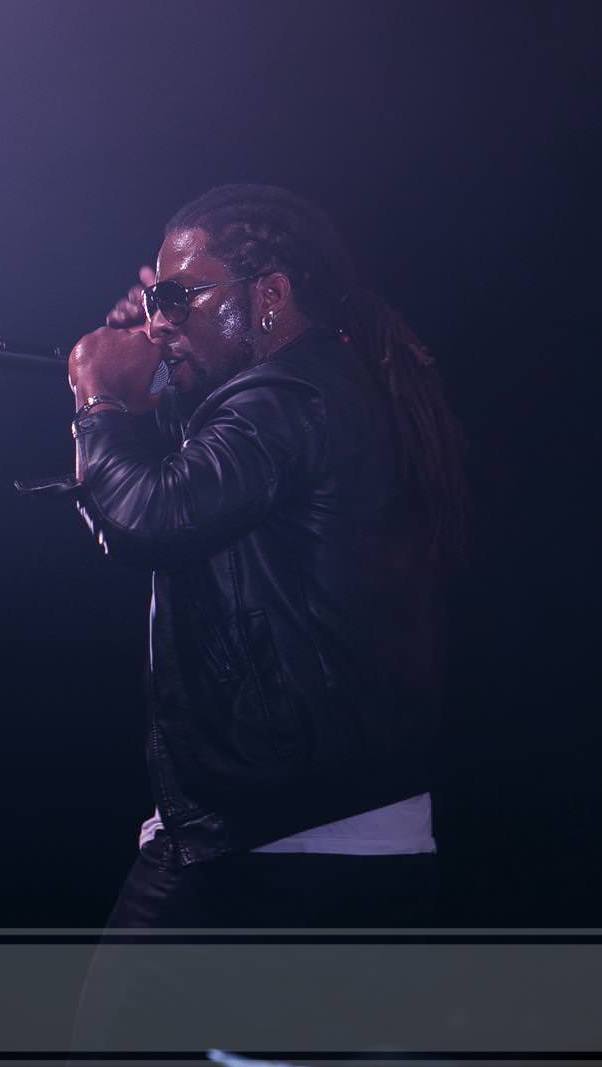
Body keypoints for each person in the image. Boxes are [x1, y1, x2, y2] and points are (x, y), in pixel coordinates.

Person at [64, 184, 468, 928]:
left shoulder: (288, 395)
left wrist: (97, 397)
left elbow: (150, 519)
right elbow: (207, 499)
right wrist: (148, 396)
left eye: (179, 297)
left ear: (270, 295)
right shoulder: (319, 389)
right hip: (336, 833)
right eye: (156, 300)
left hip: (273, 846)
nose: (159, 321)